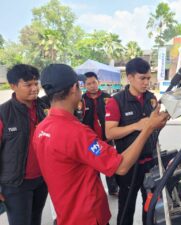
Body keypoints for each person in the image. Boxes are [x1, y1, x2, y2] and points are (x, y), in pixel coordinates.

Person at [33, 63, 169, 225]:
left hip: (65, 212)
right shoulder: (77, 132)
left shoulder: (41, 128)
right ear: (74, 88)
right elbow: (121, 166)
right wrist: (148, 127)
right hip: (87, 216)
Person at [105, 57, 158, 225]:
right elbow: (110, 133)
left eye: (149, 78)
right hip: (128, 166)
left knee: (150, 207)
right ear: (129, 78)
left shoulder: (151, 98)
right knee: (126, 208)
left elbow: (153, 128)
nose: (146, 82)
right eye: (142, 78)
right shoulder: (116, 101)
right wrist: (137, 126)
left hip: (150, 163)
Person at [0, 64, 49, 225]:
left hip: (42, 180)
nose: (34, 88)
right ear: (13, 86)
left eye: (36, 83)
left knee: (35, 221)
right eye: (28, 85)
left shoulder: (45, 108)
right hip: (15, 184)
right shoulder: (4, 113)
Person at [81, 72, 119, 196]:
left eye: (94, 82)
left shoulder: (107, 97)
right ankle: (96, 191)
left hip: (106, 139)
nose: (92, 86)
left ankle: (113, 189)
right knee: (94, 165)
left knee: (109, 164)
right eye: (89, 83)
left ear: (99, 82)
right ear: (84, 85)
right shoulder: (81, 100)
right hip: (91, 141)